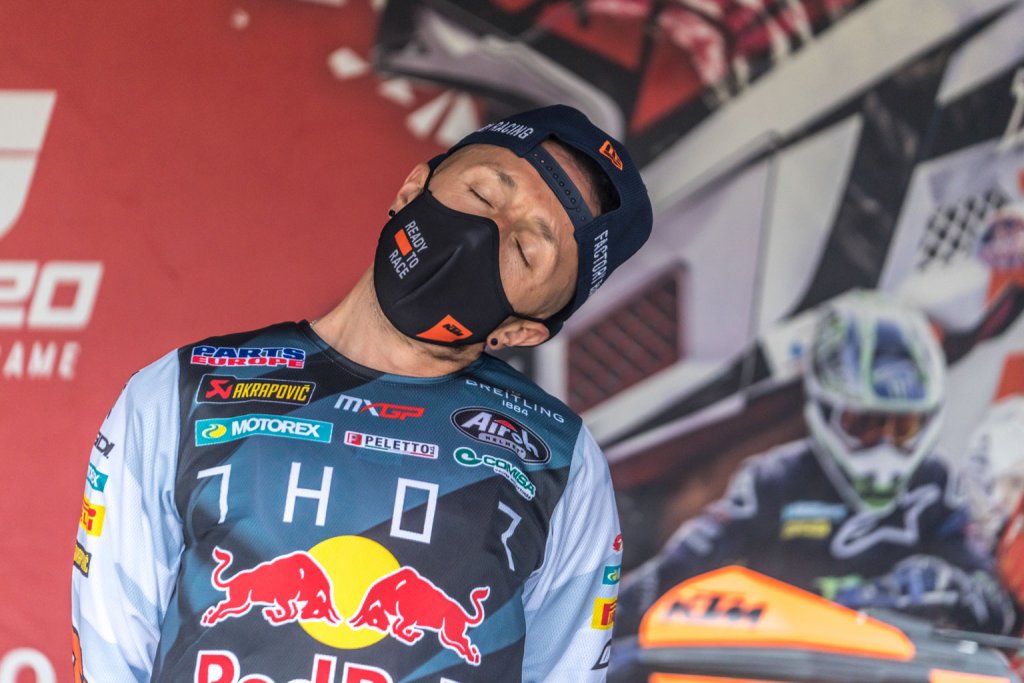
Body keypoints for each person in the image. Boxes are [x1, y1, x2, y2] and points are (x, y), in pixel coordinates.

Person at [71, 105, 653, 682]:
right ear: (412, 188)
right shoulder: (183, 390)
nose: (483, 235)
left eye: (527, 251)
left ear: (523, 331)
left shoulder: (560, 459)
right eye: (481, 195)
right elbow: (108, 655)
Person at [613, 290, 1016, 647]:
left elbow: (999, 612)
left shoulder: (933, 486)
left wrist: (950, 585)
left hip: (895, 670)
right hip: (782, 667)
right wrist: (598, 623)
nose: (884, 447)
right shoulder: (775, 481)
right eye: (865, 425)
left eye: (903, 428)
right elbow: (673, 571)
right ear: (826, 409)